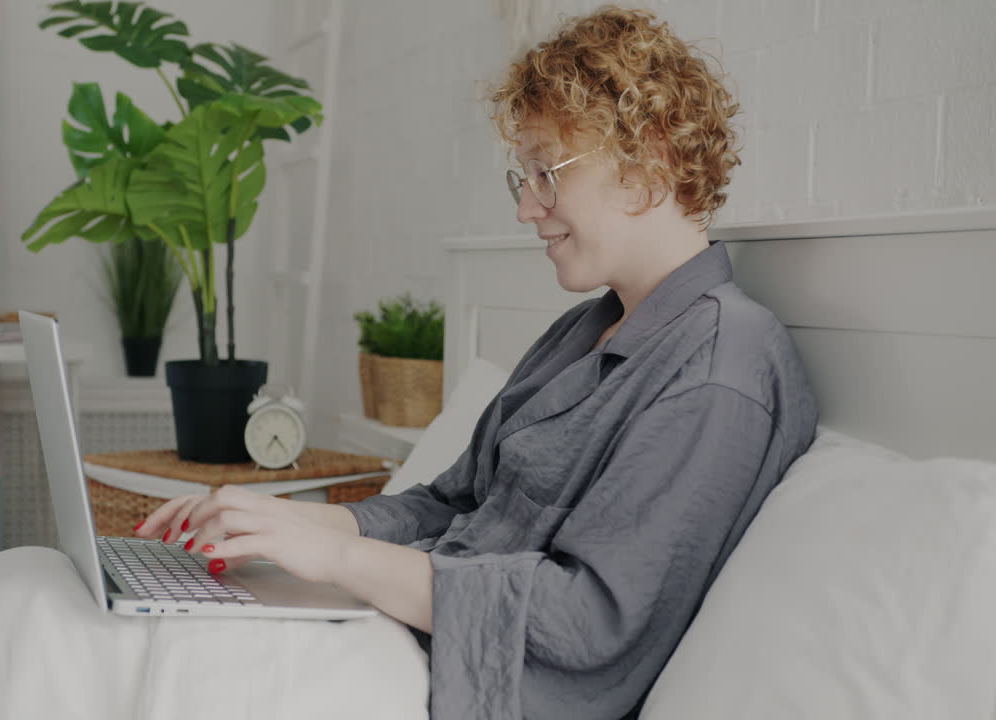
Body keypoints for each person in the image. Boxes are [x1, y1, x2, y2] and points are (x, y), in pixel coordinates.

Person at [134, 6, 818, 720]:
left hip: (459, 677)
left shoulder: (721, 368)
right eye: (522, 178)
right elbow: (452, 502)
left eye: (546, 173)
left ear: (647, 164)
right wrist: (296, 530)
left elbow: (590, 623)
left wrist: (339, 563)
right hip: (403, 630)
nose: (527, 208)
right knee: (52, 594)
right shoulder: (584, 330)